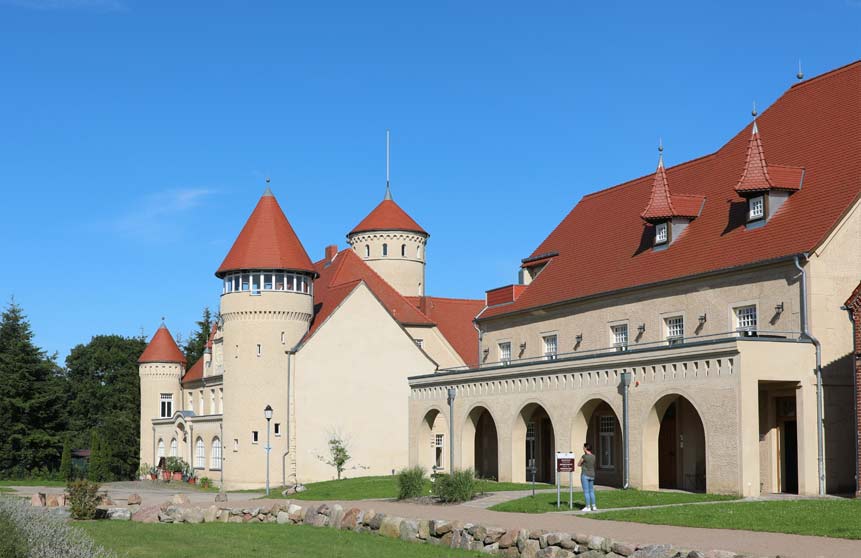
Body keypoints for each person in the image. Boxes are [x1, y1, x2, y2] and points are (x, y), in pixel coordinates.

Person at [578, 442, 597, 511]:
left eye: (583, 447)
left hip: (585, 475)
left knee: (586, 492)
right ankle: (594, 506)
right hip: (592, 475)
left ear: (586, 448)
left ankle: (588, 507)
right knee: (591, 491)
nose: (583, 448)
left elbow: (578, 464)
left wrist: (582, 464)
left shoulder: (584, 456)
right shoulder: (593, 456)